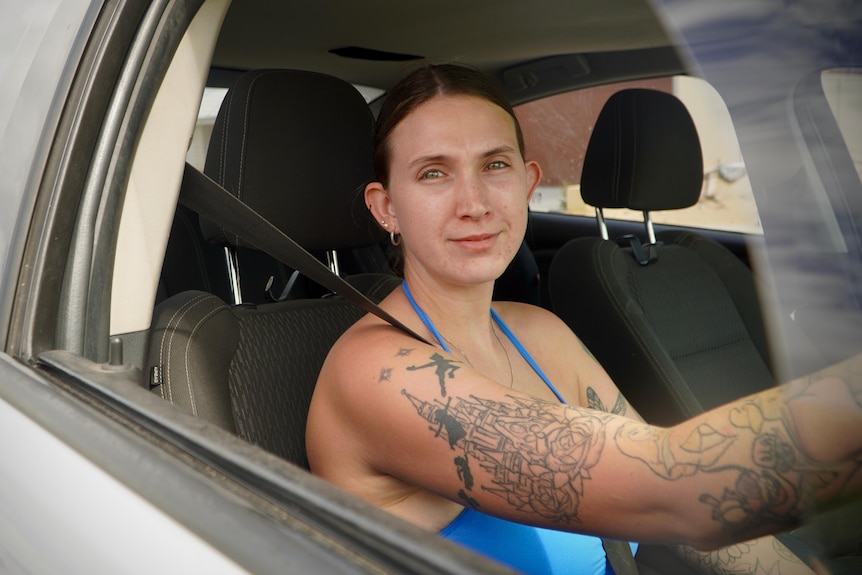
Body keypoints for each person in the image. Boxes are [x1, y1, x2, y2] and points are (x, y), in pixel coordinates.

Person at [306, 63, 862, 575]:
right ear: (386, 208)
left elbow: (695, 521)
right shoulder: (379, 373)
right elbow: (670, 486)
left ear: (527, 183)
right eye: (433, 173)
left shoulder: (538, 331)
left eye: (494, 165)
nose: (473, 202)